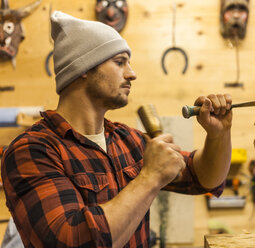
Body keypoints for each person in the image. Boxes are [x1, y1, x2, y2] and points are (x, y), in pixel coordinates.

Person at [1, 11, 233, 248]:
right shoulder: (31, 151)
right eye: (120, 62)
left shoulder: (126, 140)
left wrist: (218, 135)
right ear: (83, 67)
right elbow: (72, 242)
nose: (131, 74)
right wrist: (150, 178)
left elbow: (202, 178)